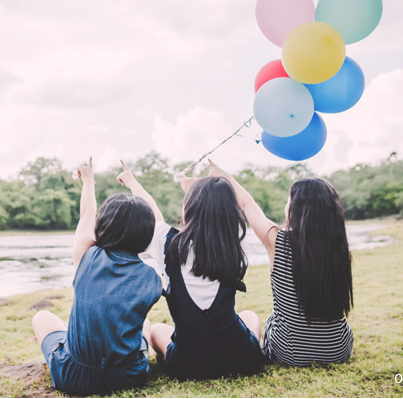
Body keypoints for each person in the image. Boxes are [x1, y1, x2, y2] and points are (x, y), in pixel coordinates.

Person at [120, 167, 268, 380]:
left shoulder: (167, 245)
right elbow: (223, 207)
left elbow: (153, 215)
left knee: (157, 331)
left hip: (188, 365)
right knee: (250, 316)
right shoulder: (233, 241)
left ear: (188, 208)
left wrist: (132, 182)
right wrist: (201, 186)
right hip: (241, 359)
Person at [32, 156, 161, 397]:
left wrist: (88, 182)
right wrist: (134, 184)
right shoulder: (151, 277)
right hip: (128, 376)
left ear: (104, 225)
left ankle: (67, 337)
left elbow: (86, 215)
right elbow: (156, 220)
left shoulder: (86, 255)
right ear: (147, 232)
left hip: (73, 377)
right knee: (144, 324)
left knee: (42, 317)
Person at [211, 162, 354, 366]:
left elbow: (246, 204)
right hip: (338, 349)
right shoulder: (340, 249)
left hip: (290, 353)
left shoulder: (278, 241)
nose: (286, 206)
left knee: (264, 320)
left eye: (289, 202)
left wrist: (225, 176)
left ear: (296, 209)